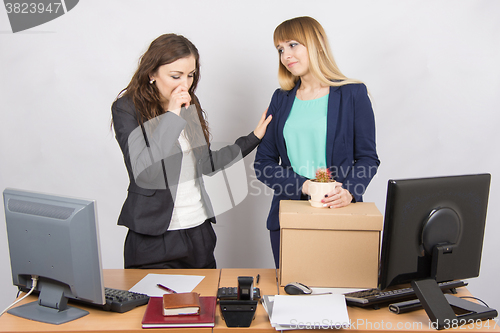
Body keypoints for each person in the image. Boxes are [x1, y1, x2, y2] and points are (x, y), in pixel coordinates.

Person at [112, 34, 271, 269]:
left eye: (191, 75)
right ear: (152, 73)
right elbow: (145, 171)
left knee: (202, 305)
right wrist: (172, 116)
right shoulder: (127, 109)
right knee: (154, 306)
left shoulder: (190, 103)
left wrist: (254, 137)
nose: (184, 85)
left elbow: (206, 163)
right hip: (153, 238)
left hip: (198, 233)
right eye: (175, 76)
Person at [254, 17, 380, 268]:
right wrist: (305, 186)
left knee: (341, 295)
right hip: (288, 217)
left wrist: (350, 191)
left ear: (317, 45)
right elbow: (263, 164)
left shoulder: (352, 94)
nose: (285, 55)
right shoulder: (280, 99)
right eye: (280, 49)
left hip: (340, 215)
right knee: (293, 296)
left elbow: (367, 157)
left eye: (292, 45)